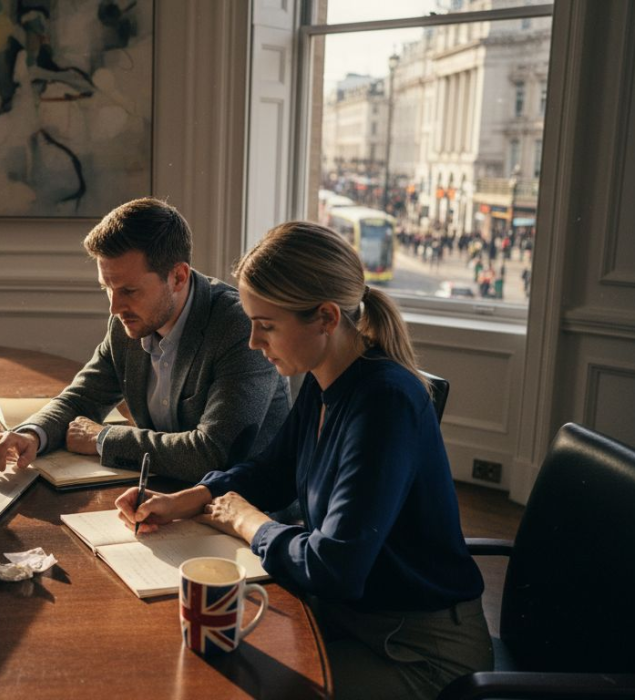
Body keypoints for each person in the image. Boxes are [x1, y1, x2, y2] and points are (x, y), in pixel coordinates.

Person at [116, 220, 492, 699]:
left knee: (229, 687)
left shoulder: (384, 403)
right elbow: (273, 472)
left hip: (417, 653)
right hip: (350, 621)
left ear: (326, 319)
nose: (253, 342)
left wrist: (249, 523)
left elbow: (335, 567)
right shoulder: (324, 378)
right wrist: (189, 498)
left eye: (266, 325)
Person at [0, 197, 289, 482]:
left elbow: (212, 453)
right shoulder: (127, 322)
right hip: (159, 493)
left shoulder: (237, 327)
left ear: (178, 276)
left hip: (245, 513)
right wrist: (31, 434)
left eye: (128, 290)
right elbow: (81, 399)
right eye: (106, 288)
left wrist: (103, 439)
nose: (114, 307)